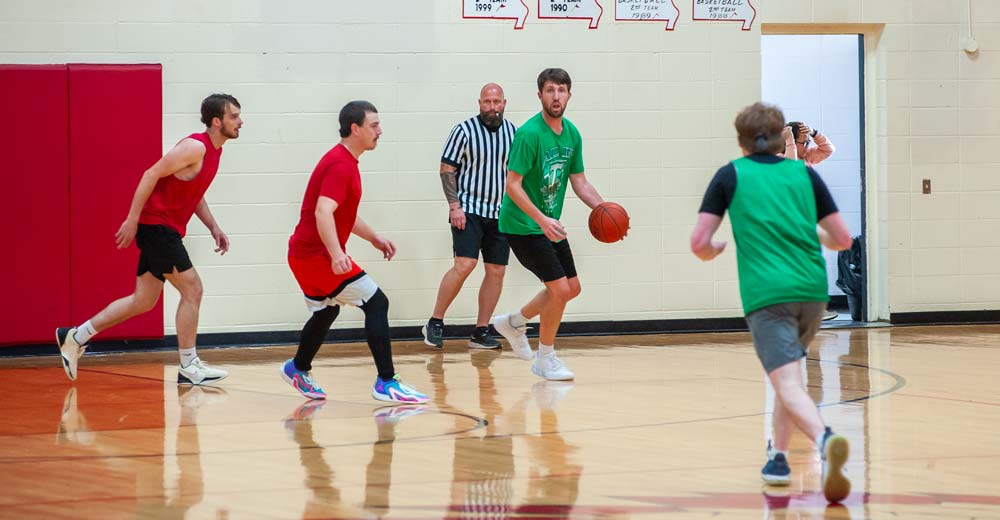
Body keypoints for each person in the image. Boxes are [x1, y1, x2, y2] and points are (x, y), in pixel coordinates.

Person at [689, 102, 853, 503]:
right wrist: (811, 235)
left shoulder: (731, 175)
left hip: (768, 294)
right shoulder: (802, 173)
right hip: (813, 292)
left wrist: (713, 250)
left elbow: (699, 243)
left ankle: (824, 438)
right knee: (788, 376)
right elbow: (843, 239)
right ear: (782, 136)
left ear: (741, 140)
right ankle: (778, 459)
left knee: (787, 381)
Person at [56, 93, 242, 385]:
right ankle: (189, 364)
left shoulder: (214, 152)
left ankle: (75, 337)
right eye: (234, 116)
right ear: (217, 121)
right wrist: (132, 220)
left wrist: (213, 227)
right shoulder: (195, 147)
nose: (240, 121)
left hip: (162, 229)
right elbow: (150, 173)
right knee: (193, 289)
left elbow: (195, 195)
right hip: (157, 228)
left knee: (143, 300)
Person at [282, 100, 428, 404]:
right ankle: (386, 382)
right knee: (377, 302)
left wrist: (373, 237)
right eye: (374, 125)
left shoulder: (344, 161)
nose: (380, 131)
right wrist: (336, 254)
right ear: (355, 128)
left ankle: (297, 368)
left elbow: (340, 214)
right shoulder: (340, 165)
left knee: (327, 310)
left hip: (304, 254)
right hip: (314, 256)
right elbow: (323, 212)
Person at [490, 68, 607, 380]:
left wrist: (603, 207)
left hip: (547, 224)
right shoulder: (529, 134)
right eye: (550, 90)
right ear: (540, 95)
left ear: (569, 94)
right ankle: (545, 358)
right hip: (522, 225)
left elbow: (579, 181)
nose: (556, 96)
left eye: (562, 90)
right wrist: (541, 219)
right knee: (559, 290)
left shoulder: (572, 134)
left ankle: (514, 322)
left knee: (572, 288)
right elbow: (511, 185)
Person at [422, 83, 517, 350]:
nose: (492, 107)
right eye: (487, 102)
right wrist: (454, 206)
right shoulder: (464, 131)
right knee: (464, 264)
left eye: (496, 102)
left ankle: (480, 331)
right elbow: (446, 169)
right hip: (469, 210)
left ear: (504, 103)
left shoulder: (514, 133)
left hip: (500, 213)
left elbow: (519, 175)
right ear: (480, 104)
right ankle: (435, 321)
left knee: (496, 270)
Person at [783, 121, 839, 321]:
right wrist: (790, 141)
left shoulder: (806, 158)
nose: (806, 147)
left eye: (807, 143)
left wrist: (814, 133)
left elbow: (828, 149)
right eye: (803, 143)